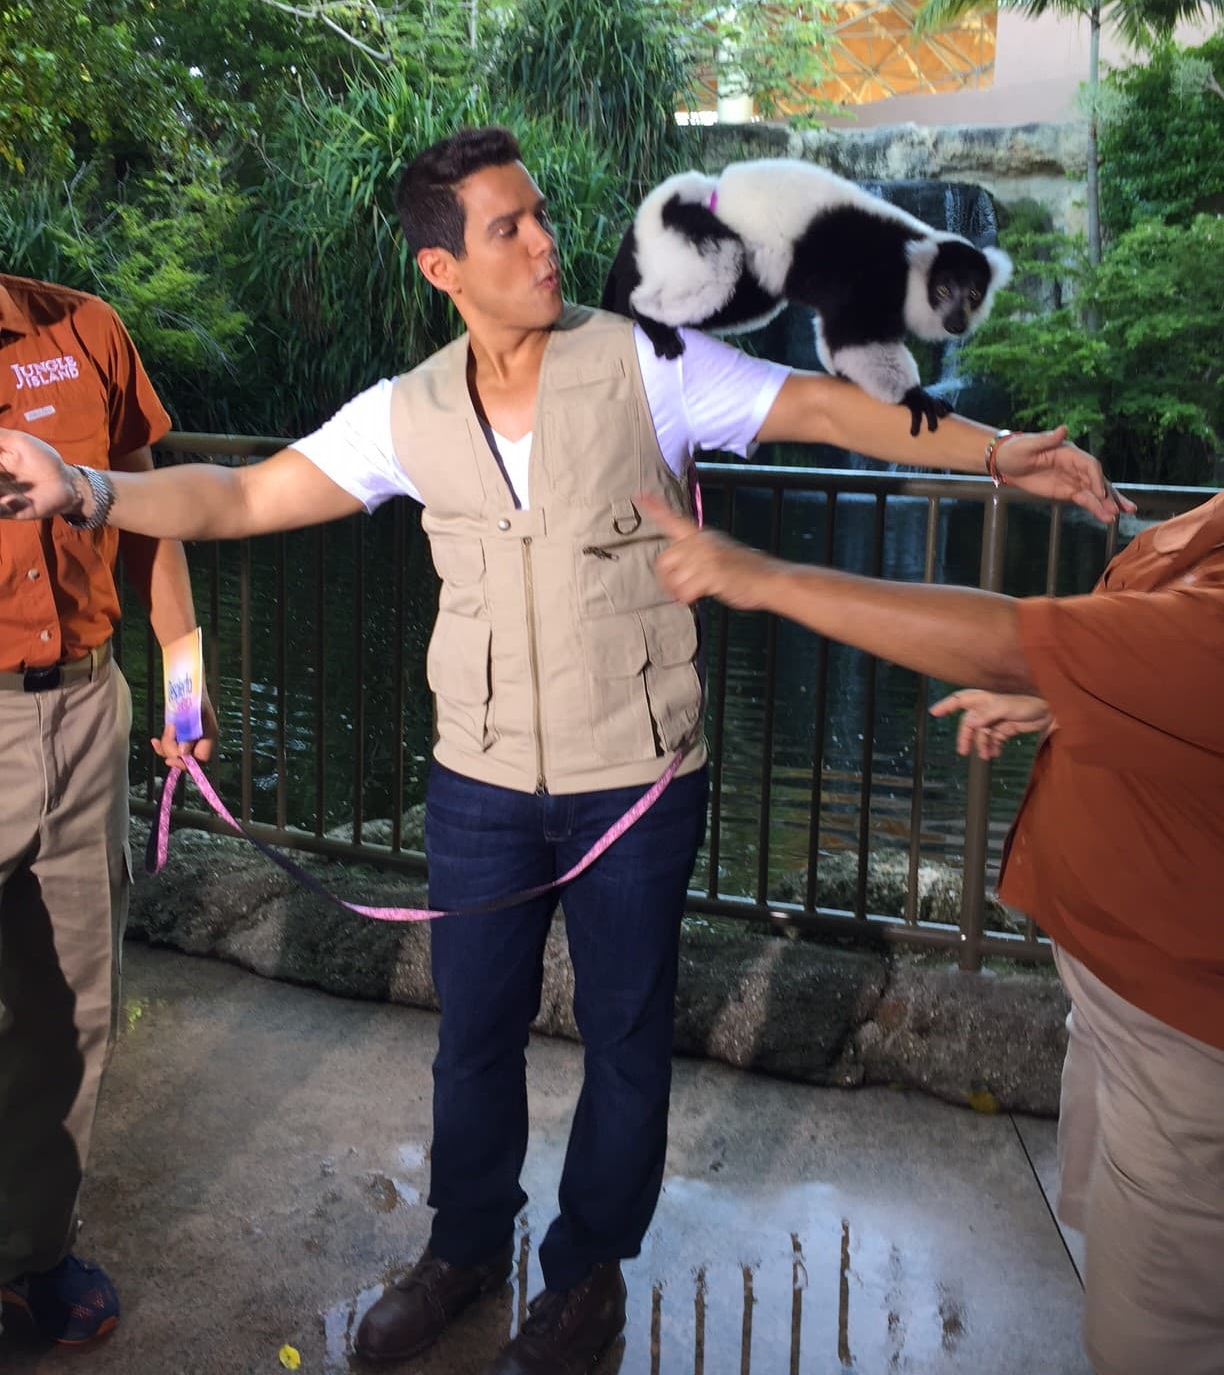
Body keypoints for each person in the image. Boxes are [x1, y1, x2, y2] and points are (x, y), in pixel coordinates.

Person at [0, 129, 1127, 1375]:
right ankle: (467, 1247)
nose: (545, 244)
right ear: (444, 270)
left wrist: (989, 450)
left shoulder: (651, 365)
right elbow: (238, 497)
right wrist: (93, 491)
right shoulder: (405, 411)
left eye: (540, 216)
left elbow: (818, 405)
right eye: (507, 229)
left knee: (626, 1036)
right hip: (479, 780)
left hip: (636, 778)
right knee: (471, 1035)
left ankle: (588, 1274)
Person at [641, 487, 1224, 1375]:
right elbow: (1165, 662)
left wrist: (759, 575)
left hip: (1187, 1032)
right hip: (1123, 992)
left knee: (1157, 1332)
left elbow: (1011, 639)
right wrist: (1073, 698)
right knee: (1116, 1232)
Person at [0, 271, 216, 1349]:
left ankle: (30, 1253)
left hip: (87, 706)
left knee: (75, 1006)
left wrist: (182, 672)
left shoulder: (83, 326)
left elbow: (141, 507)